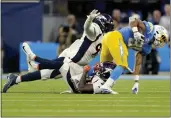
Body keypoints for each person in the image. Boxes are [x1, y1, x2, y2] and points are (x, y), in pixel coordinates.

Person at [3, 9, 114, 93]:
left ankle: (17, 78)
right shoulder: (96, 30)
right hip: (73, 58)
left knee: (47, 74)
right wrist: (89, 20)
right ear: (103, 24)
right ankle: (34, 60)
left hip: (77, 62)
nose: (109, 28)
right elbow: (87, 28)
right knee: (51, 70)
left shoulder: (103, 36)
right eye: (108, 26)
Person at [99, 15, 169, 94]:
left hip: (109, 39)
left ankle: (98, 86)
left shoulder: (147, 48)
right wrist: (136, 32)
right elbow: (132, 19)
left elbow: (138, 62)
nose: (161, 42)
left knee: (105, 67)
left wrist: (136, 82)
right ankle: (106, 86)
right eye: (162, 39)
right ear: (158, 32)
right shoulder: (149, 29)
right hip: (116, 36)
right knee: (122, 65)